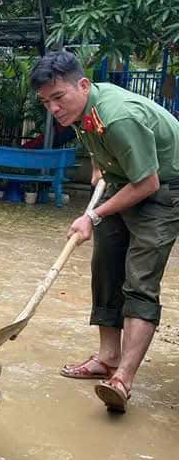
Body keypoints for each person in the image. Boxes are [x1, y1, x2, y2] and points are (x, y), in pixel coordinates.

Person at [31, 50, 179, 413]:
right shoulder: (84, 112)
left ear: (83, 85)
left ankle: (122, 379)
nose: (53, 108)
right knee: (106, 268)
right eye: (46, 101)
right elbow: (99, 139)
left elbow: (147, 183)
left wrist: (92, 216)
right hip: (122, 181)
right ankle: (107, 357)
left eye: (59, 97)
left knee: (140, 280)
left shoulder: (118, 116)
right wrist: (100, 166)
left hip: (163, 189)